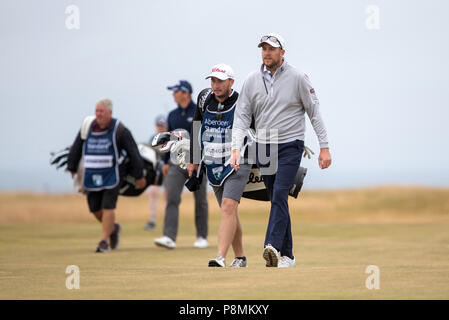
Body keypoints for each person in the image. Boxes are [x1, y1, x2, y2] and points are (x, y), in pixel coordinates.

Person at [230, 33, 332, 268]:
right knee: (277, 197)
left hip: (290, 144)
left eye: (271, 48)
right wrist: (236, 148)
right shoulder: (252, 80)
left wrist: (324, 147)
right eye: (263, 48)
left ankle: (272, 246)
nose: (267, 52)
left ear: (282, 52)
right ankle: (288, 256)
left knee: (279, 195)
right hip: (263, 144)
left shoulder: (298, 78)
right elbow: (242, 116)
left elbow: (314, 113)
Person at [187, 63, 251, 268]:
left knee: (228, 206)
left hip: (238, 161)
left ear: (231, 82)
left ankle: (220, 257)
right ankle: (240, 258)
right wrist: (194, 160)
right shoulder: (204, 99)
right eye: (213, 81)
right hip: (212, 162)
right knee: (229, 212)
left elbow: (259, 128)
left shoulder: (243, 102)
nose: (216, 85)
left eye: (220, 81)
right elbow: (196, 128)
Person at [67, 98, 146, 252]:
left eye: (101, 111)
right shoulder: (87, 127)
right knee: (95, 208)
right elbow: (77, 146)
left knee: (108, 206)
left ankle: (104, 241)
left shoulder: (120, 129)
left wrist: (139, 175)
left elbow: (133, 151)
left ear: (110, 113)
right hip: (92, 174)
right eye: (96, 111)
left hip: (113, 174)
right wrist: (72, 166)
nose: (98, 114)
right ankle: (113, 228)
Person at [154, 80, 209, 249]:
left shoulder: (198, 111)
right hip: (176, 163)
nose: (173, 94)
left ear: (185, 92)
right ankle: (169, 237)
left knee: (200, 200)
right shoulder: (172, 115)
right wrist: (164, 161)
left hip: (199, 163)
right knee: (171, 197)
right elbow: (167, 140)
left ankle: (201, 237)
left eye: (175, 91)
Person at [144, 115, 168, 231]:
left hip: (168, 170)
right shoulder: (152, 139)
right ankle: (152, 220)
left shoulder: (170, 137)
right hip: (156, 171)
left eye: (162, 125)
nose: (161, 128)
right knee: (153, 193)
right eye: (159, 125)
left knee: (168, 195)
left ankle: (168, 220)